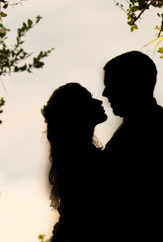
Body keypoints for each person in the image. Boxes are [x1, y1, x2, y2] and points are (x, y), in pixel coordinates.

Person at [102, 51, 163, 242]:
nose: (105, 93)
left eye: (111, 85)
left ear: (130, 84)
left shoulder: (146, 123)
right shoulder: (149, 120)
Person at [42, 82, 110, 242]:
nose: (99, 101)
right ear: (77, 113)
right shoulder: (81, 160)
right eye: (89, 99)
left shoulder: (74, 156)